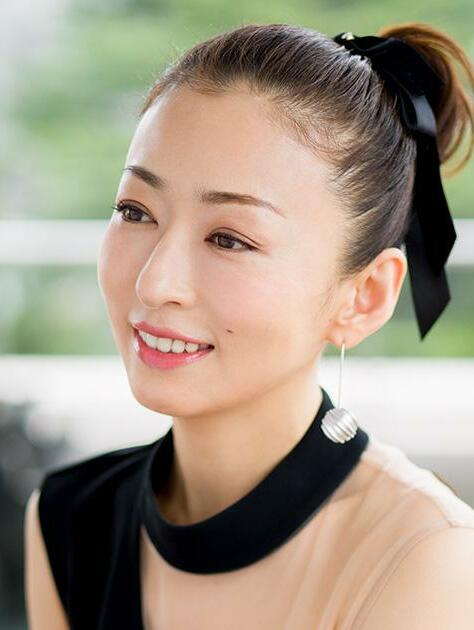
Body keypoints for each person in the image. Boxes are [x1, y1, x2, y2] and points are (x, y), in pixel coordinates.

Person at [24, 21, 474, 629]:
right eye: (135, 210)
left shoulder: (426, 560)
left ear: (363, 297)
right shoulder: (68, 518)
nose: (155, 283)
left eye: (229, 239)